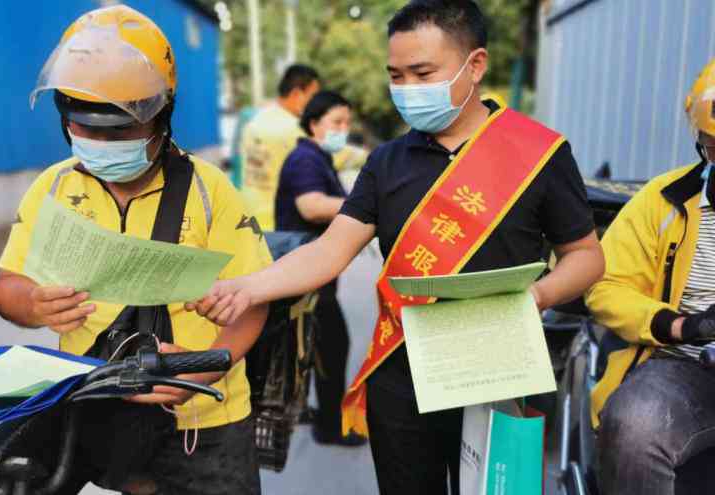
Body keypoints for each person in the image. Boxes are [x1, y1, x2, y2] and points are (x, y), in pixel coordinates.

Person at [189, 1, 605, 493]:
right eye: (396, 75)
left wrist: (534, 297)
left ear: (476, 65)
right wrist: (249, 287)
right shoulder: (386, 162)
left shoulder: (537, 153)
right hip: (405, 372)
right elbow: (329, 251)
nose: (407, 89)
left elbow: (586, 257)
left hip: (500, 366)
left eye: (422, 72)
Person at [0, 6, 270, 494]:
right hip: (90, 406)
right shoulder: (52, 189)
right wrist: (32, 305)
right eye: (85, 128)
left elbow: (255, 301)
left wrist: (203, 364)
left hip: (203, 420)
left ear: (162, 115)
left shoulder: (210, 191)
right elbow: (6, 286)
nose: (101, 142)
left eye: (120, 130)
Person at [586, 59, 715, 494]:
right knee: (636, 423)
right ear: (699, 140)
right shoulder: (662, 202)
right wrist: (682, 325)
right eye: (714, 146)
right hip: (683, 367)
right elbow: (606, 284)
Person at [274, 90, 364, 446]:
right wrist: (365, 205)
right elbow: (311, 206)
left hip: (314, 274)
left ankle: (311, 411)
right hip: (307, 276)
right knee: (332, 346)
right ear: (314, 124)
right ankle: (328, 427)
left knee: (311, 348)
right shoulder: (305, 159)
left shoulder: (319, 158)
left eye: (347, 122)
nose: (344, 129)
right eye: (336, 122)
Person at [240, 64, 321, 231]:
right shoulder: (296, 130)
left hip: (250, 221)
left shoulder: (254, 122)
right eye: (313, 97)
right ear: (297, 94)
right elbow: (333, 156)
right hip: (281, 226)